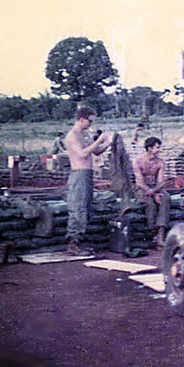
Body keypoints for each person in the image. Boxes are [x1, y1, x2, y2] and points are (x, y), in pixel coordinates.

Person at [64, 106, 113, 256]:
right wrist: (99, 139)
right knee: (78, 207)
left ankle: (80, 241)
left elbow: (96, 151)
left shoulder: (83, 135)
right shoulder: (72, 136)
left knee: (86, 208)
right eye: (89, 121)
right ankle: (73, 243)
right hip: (79, 174)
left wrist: (108, 143)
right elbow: (83, 154)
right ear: (81, 119)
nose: (91, 124)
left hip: (87, 174)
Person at [133, 137, 171, 248]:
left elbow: (161, 181)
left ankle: (160, 235)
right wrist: (153, 194)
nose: (159, 150)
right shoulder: (138, 161)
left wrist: (155, 191)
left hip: (155, 188)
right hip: (142, 189)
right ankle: (152, 231)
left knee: (166, 198)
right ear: (149, 148)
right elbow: (139, 182)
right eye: (156, 147)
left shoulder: (160, 163)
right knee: (149, 203)